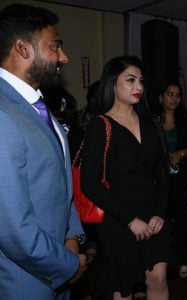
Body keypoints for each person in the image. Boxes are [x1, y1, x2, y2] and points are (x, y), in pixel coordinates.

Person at [0, 3, 87, 299]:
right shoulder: (2, 112)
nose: (64, 57)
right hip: (26, 281)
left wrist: (72, 237)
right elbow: (12, 229)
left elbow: (62, 186)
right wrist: (67, 264)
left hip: (58, 267)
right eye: (55, 47)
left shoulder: (36, 105)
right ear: (23, 48)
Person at [80, 56, 171, 299]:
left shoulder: (150, 122)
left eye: (141, 81)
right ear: (112, 84)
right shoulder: (101, 125)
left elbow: (162, 171)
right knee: (123, 287)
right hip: (118, 218)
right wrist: (129, 220)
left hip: (153, 214)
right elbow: (89, 183)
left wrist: (160, 212)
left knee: (159, 278)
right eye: (130, 80)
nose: (138, 87)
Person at [151, 82, 187, 278]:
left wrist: (182, 153)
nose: (174, 99)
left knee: (181, 219)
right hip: (158, 178)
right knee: (160, 219)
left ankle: (184, 259)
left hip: (180, 176)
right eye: (170, 94)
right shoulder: (152, 118)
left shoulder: (185, 116)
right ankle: (163, 260)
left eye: (177, 95)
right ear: (161, 96)